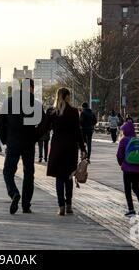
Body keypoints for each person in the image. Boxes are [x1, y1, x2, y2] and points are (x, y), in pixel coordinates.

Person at [0, 78, 44, 215]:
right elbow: (43, 123)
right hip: (29, 143)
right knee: (29, 174)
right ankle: (26, 205)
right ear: (31, 88)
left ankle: (14, 193)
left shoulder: (9, 102)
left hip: (13, 142)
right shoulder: (36, 104)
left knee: (8, 171)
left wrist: (5, 140)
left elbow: (1, 123)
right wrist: (35, 137)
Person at [41, 88, 87, 216]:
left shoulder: (52, 112)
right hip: (70, 148)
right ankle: (69, 205)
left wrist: (30, 136)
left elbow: (44, 128)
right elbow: (78, 132)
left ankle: (61, 206)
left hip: (57, 148)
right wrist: (83, 149)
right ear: (67, 97)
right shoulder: (73, 112)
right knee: (69, 177)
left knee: (59, 178)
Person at [116, 121, 139, 217]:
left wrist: (121, 163)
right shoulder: (137, 140)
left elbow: (119, 154)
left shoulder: (123, 140)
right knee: (136, 187)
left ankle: (131, 209)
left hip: (127, 168)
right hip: (137, 168)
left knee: (127, 188)